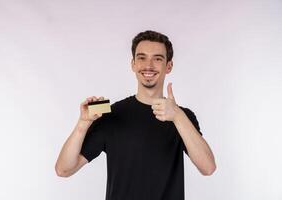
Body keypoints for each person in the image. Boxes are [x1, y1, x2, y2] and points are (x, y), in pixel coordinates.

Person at [55, 30, 216, 199]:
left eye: (158, 58)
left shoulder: (183, 117)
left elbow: (208, 168)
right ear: (133, 64)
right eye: (142, 57)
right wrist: (82, 124)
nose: (149, 65)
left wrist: (177, 115)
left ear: (169, 66)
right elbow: (63, 169)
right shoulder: (110, 113)